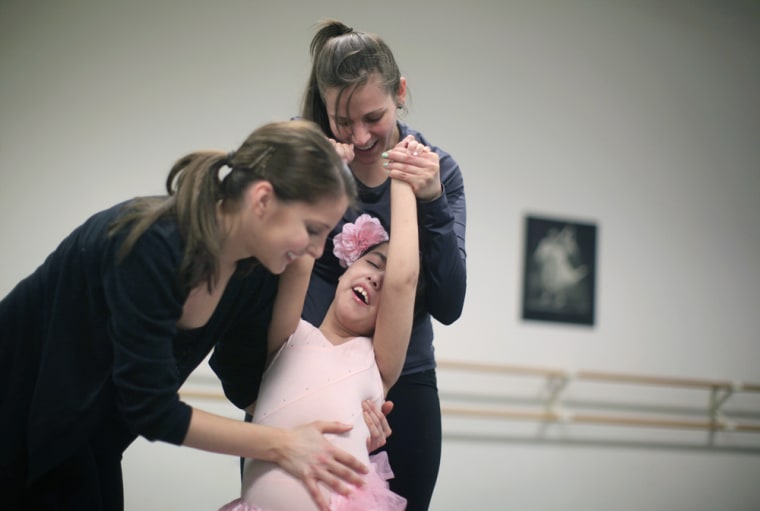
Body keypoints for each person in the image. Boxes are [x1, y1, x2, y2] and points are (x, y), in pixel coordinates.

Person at [0, 119, 387, 511]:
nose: (319, 251)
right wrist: (284, 445)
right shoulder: (149, 244)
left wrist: (349, 422)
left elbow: (251, 390)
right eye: (311, 229)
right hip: (19, 420)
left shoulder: (252, 276)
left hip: (82, 441)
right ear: (263, 200)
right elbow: (150, 408)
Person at [301, 19, 467, 510]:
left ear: (400, 92)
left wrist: (432, 200)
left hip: (404, 386)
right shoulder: (307, 158)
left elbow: (449, 303)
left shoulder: (439, 169)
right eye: (343, 120)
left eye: (373, 116)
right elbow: (264, 273)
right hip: (307, 367)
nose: (360, 135)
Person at [221, 138, 420, 511]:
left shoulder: (376, 365)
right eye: (373, 264)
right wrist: (329, 168)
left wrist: (403, 178)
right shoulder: (288, 336)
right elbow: (301, 257)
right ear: (344, 274)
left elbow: (404, 278)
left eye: (386, 284)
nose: (379, 280)